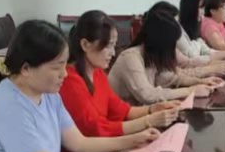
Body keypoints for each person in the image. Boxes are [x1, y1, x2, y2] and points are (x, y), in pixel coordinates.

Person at [0, 20, 158, 152]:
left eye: (64, 65)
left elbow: (79, 143)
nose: (65, 74)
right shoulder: (8, 105)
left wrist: (134, 140)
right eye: (56, 67)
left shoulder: (49, 94)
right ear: (26, 69)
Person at [60, 10, 182, 138]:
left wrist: (152, 109)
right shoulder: (70, 80)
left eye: (114, 45)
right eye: (108, 45)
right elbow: (96, 129)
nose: (113, 53)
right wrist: (148, 121)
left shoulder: (98, 73)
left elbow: (123, 110)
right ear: (85, 45)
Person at [110, 10, 220, 104]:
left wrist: (199, 82)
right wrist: (190, 91)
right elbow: (148, 95)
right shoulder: (130, 57)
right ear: (161, 41)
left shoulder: (152, 57)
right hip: (122, 119)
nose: (173, 49)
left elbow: (172, 78)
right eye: (171, 43)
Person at [149, 1, 225, 78]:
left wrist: (214, 64)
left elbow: (187, 63)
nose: (203, 12)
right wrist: (211, 68)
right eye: (200, 8)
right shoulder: (151, 49)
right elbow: (169, 77)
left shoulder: (168, 43)